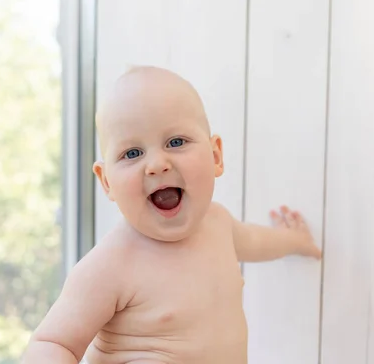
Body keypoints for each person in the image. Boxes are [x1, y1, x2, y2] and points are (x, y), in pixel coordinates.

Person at [21, 66, 322, 364]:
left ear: (215, 156)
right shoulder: (110, 265)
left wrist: (292, 239)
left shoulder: (218, 225)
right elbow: (52, 342)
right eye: (132, 153)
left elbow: (257, 242)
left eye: (175, 142)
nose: (156, 164)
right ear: (107, 181)